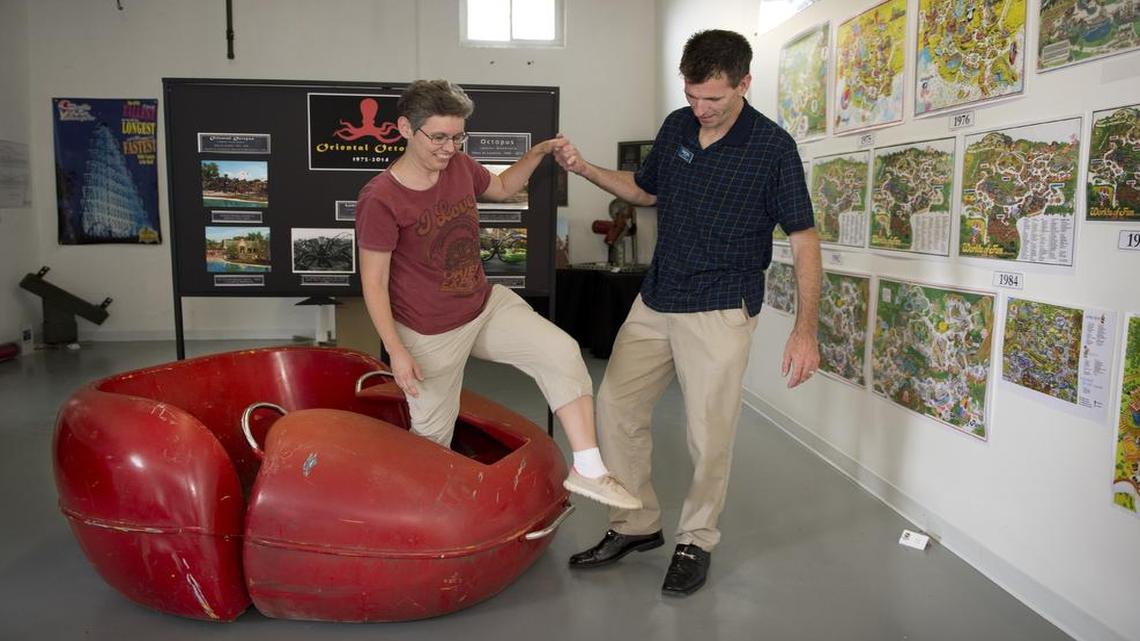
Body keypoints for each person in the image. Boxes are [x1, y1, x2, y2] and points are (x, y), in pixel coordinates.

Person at [552, 30, 822, 596]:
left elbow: (803, 239)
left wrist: (805, 330)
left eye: (714, 99)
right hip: (658, 296)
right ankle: (636, 524)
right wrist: (586, 169)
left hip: (721, 307)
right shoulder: (677, 125)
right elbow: (646, 192)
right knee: (615, 405)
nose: (701, 109)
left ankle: (696, 538)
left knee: (708, 434)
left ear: (745, 84)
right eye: (693, 95)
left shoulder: (773, 149)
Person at [355, 79, 639, 510]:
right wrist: (396, 349)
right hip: (429, 330)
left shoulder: (459, 166)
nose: (449, 148)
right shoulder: (380, 197)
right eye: (439, 137)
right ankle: (415, 522)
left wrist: (539, 153)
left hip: (484, 305)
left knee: (561, 352)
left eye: (457, 136)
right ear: (405, 130)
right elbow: (373, 283)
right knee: (431, 436)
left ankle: (589, 469)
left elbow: (503, 188)